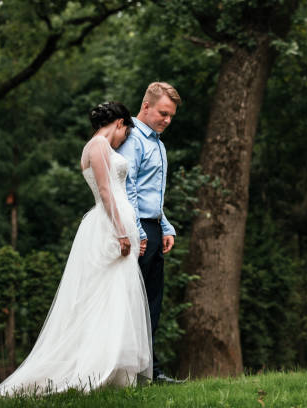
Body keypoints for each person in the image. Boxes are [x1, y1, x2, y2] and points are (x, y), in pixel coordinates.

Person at [0, 102, 153, 397]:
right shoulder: (99, 145)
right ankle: (95, 368)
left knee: (117, 295)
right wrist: (120, 233)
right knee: (105, 296)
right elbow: (104, 190)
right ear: (119, 122)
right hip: (110, 226)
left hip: (117, 222)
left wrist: (130, 229)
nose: (125, 138)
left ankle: (114, 371)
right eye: (126, 131)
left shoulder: (99, 146)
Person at [117, 82, 182, 383]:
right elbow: (127, 188)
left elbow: (152, 193)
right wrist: (138, 231)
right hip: (138, 231)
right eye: (163, 113)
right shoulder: (134, 140)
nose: (167, 121)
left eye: (171, 116)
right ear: (146, 106)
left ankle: (150, 371)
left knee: (152, 304)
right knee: (134, 302)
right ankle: (131, 371)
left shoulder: (157, 142)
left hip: (154, 229)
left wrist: (164, 226)